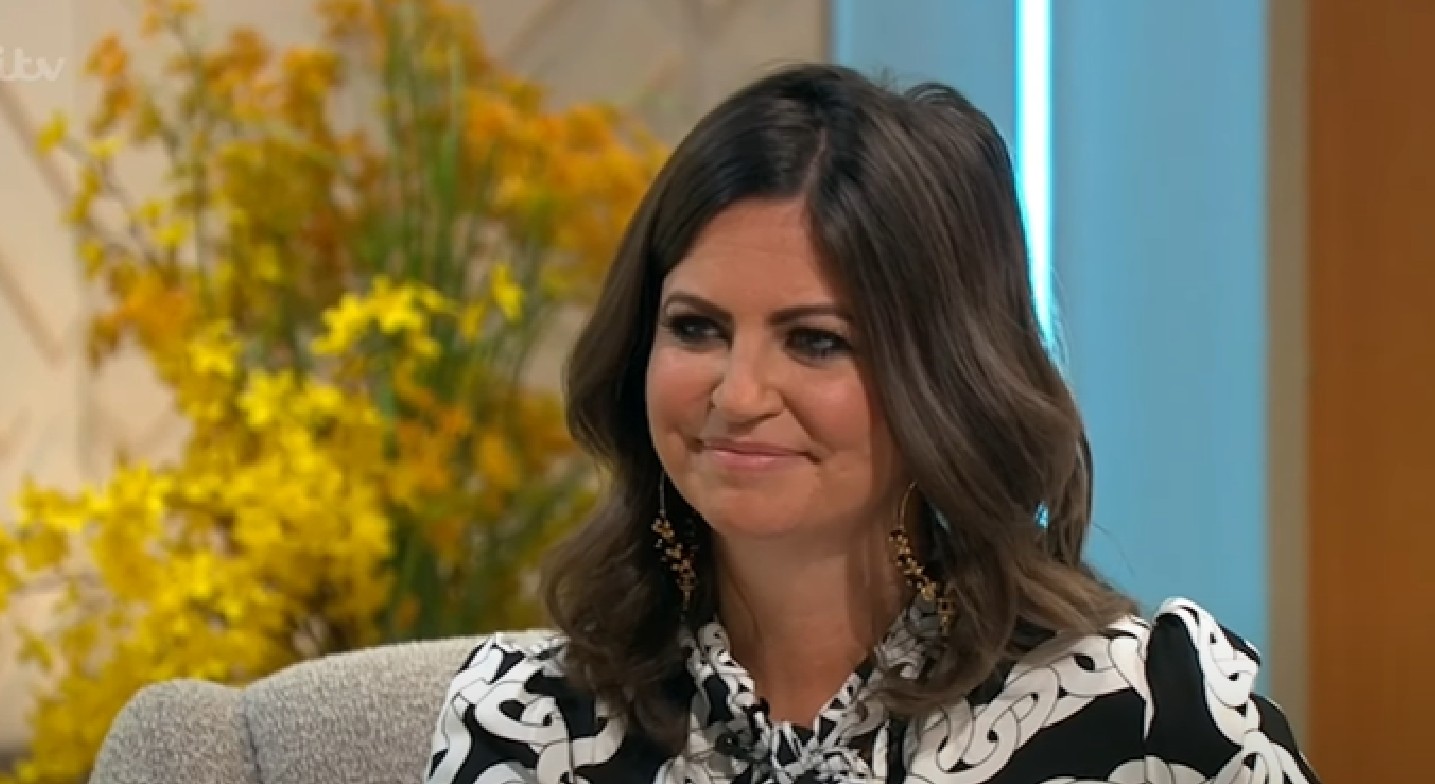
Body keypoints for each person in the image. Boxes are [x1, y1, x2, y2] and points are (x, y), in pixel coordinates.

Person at [424, 63, 1319, 784]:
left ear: (947, 377)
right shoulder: (530, 722)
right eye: (697, 328)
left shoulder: (1150, 713)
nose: (738, 395)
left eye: (815, 341)